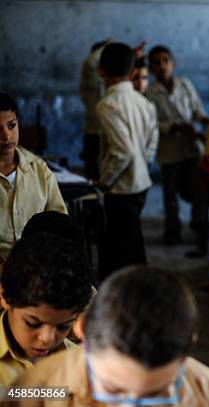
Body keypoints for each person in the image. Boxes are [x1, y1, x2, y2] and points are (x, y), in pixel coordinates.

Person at [13, 266, 209, 406]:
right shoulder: (35, 390)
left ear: (189, 345)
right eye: (112, 390)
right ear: (83, 332)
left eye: (156, 394)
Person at [95, 42, 159, 280]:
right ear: (133, 72)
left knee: (122, 248)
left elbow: (123, 152)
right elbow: (152, 143)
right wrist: (144, 165)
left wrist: (104, 182)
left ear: (101, 71)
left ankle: (132, 290)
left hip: (120, 187)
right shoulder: (145, 102)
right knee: (130, 240)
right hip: (141, 183)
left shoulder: (106, 105)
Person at [0, 230, 93, 387]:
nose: (48, 338)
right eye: (33, 323)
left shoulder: (81, 364)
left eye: (63, 326)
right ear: (4, 297)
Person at [146, 44, 209, 245]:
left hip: (191, 147)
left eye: (165, 60)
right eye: (156, 62)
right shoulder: (149, 93)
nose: (162, 65)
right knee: (170, 193)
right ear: (151, 68)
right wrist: (173, 127)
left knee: (198, 189)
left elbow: (198, 111)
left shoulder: (185, 85)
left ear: (172, 63)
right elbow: (152, 122)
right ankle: (172, 229)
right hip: (169, 150)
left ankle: (198, 223)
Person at [0, 92, 66, 271]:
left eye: (11, 126)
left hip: (37, 265)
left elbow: (60, 223)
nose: (6, 136)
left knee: (88, 294)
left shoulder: (39, 169)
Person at [79, 39, 109, 180]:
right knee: (93, 177)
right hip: (94, 133)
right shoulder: (90, 78)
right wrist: (107, 46)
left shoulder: (107, 80)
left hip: (107, 133)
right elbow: (90, 63)